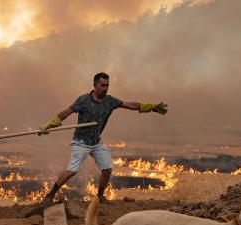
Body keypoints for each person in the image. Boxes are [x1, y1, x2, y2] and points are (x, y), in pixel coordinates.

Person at [39, 72, 168, 205]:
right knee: (72, 171)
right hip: (81, 142)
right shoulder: (83, 100)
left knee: (107, 169)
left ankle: (100, 196)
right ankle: (50, 195)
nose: (105, 88)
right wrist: (51, 124)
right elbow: (67, 112)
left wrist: (151, 107)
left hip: (96, 142)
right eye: (102, 85)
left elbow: (130, 106)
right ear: (94, 85)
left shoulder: (109, 101)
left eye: (107, 85)